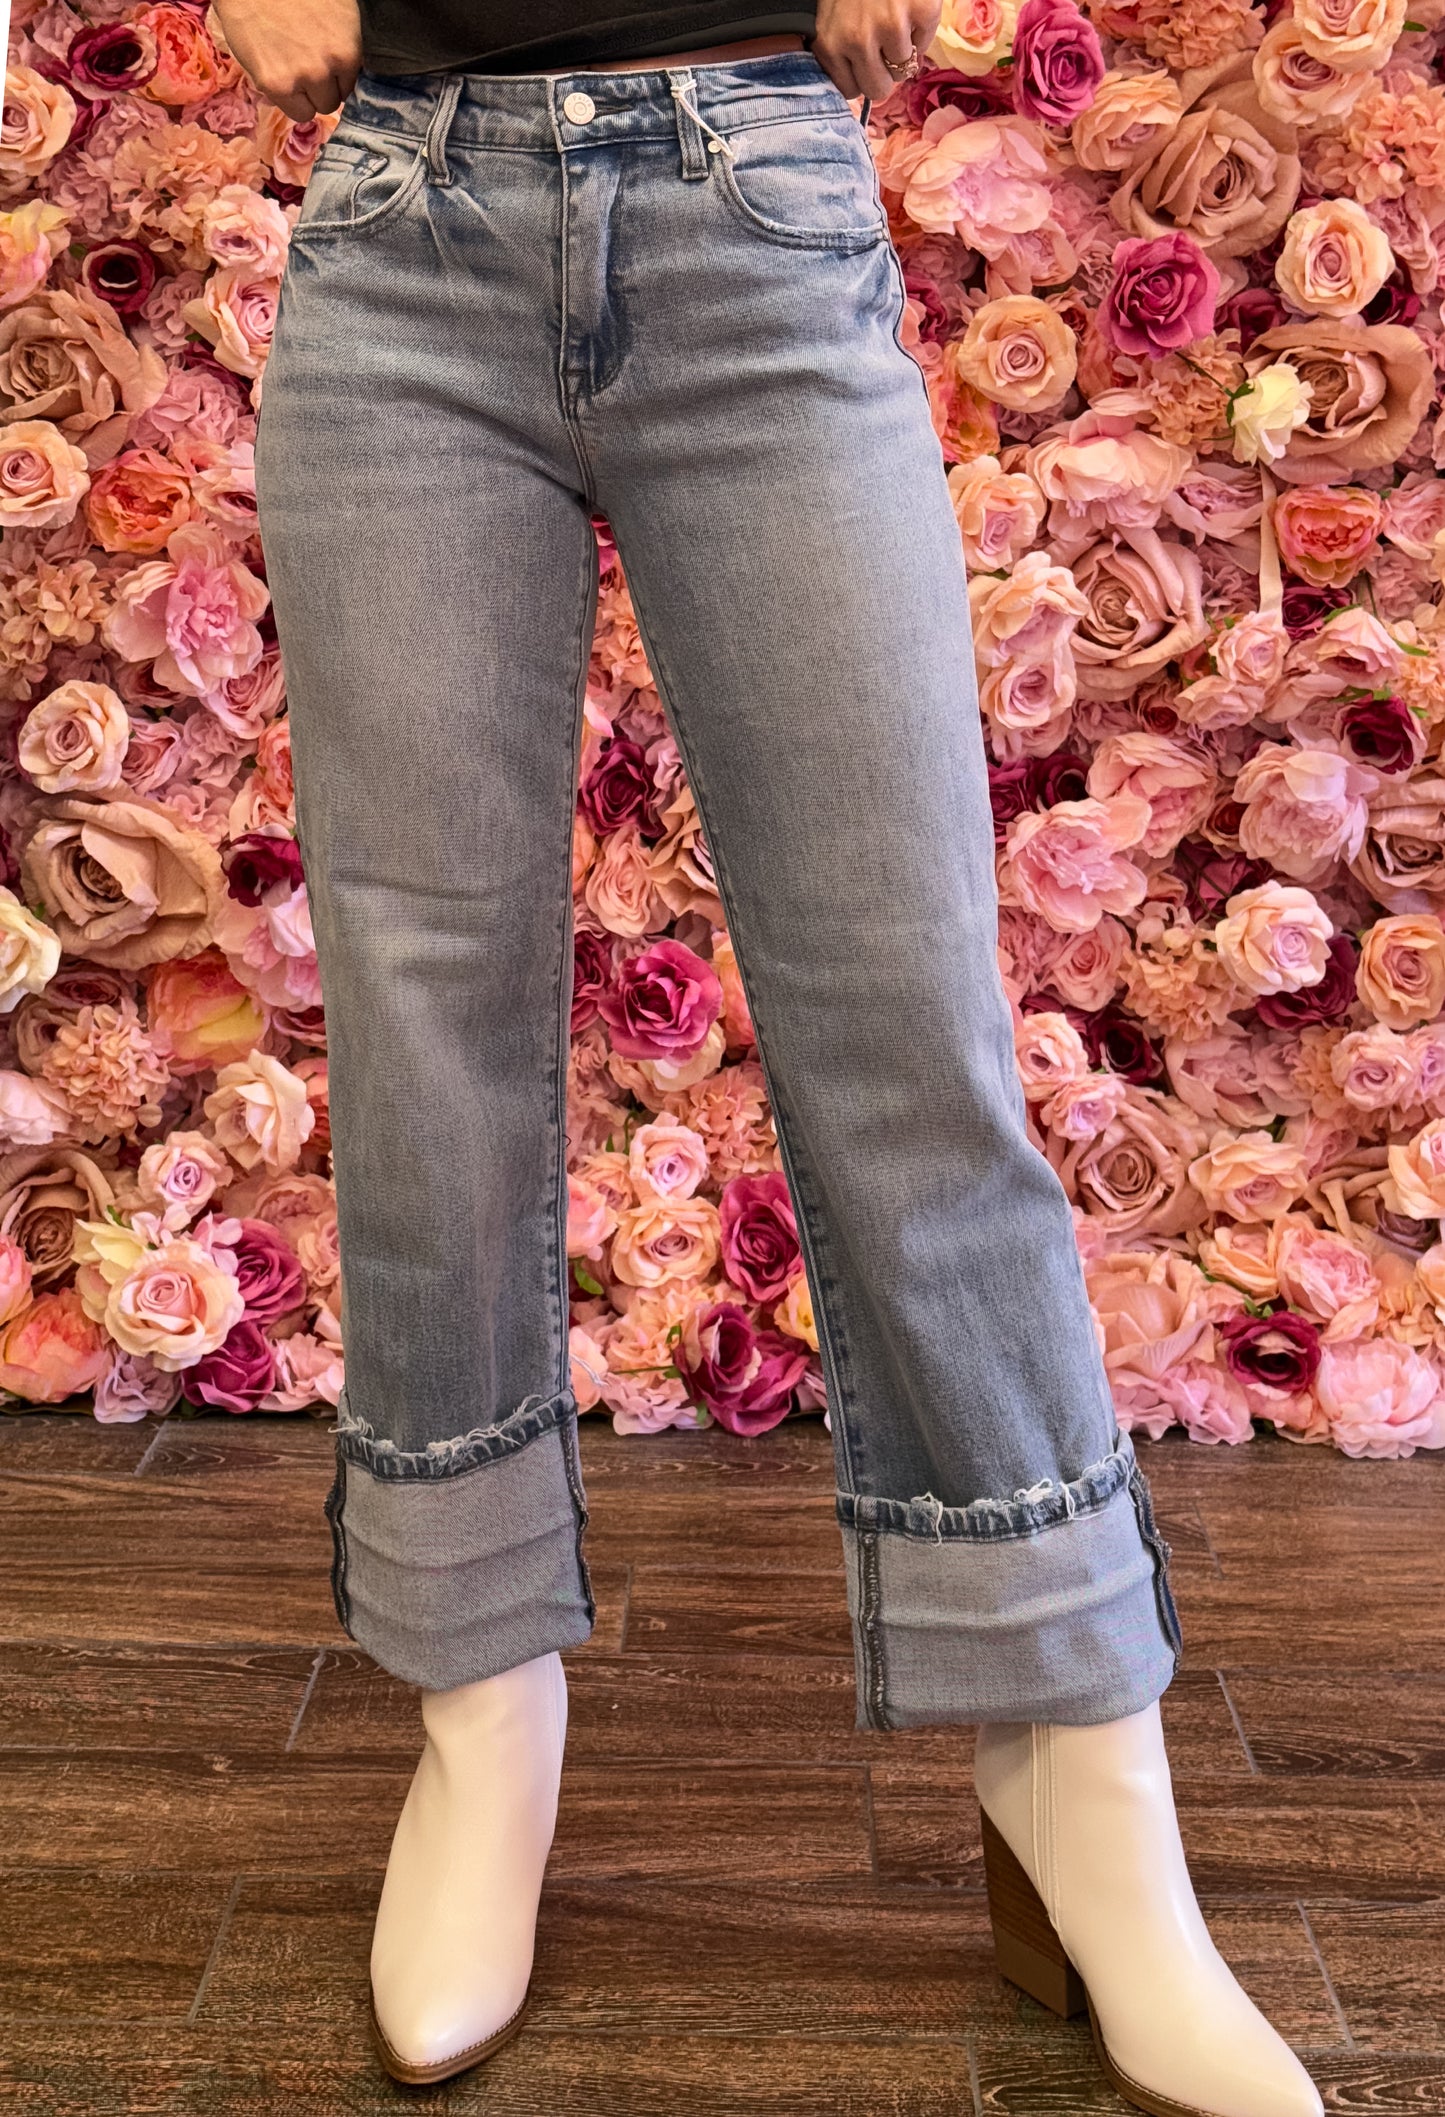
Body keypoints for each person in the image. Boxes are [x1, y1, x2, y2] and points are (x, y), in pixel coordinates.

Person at [233, 0, 1325, 2107]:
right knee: (420, 1004)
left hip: (751, 189)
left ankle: (1079, 1753)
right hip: (401, 221)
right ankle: (480, 1710)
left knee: (901, 1008)